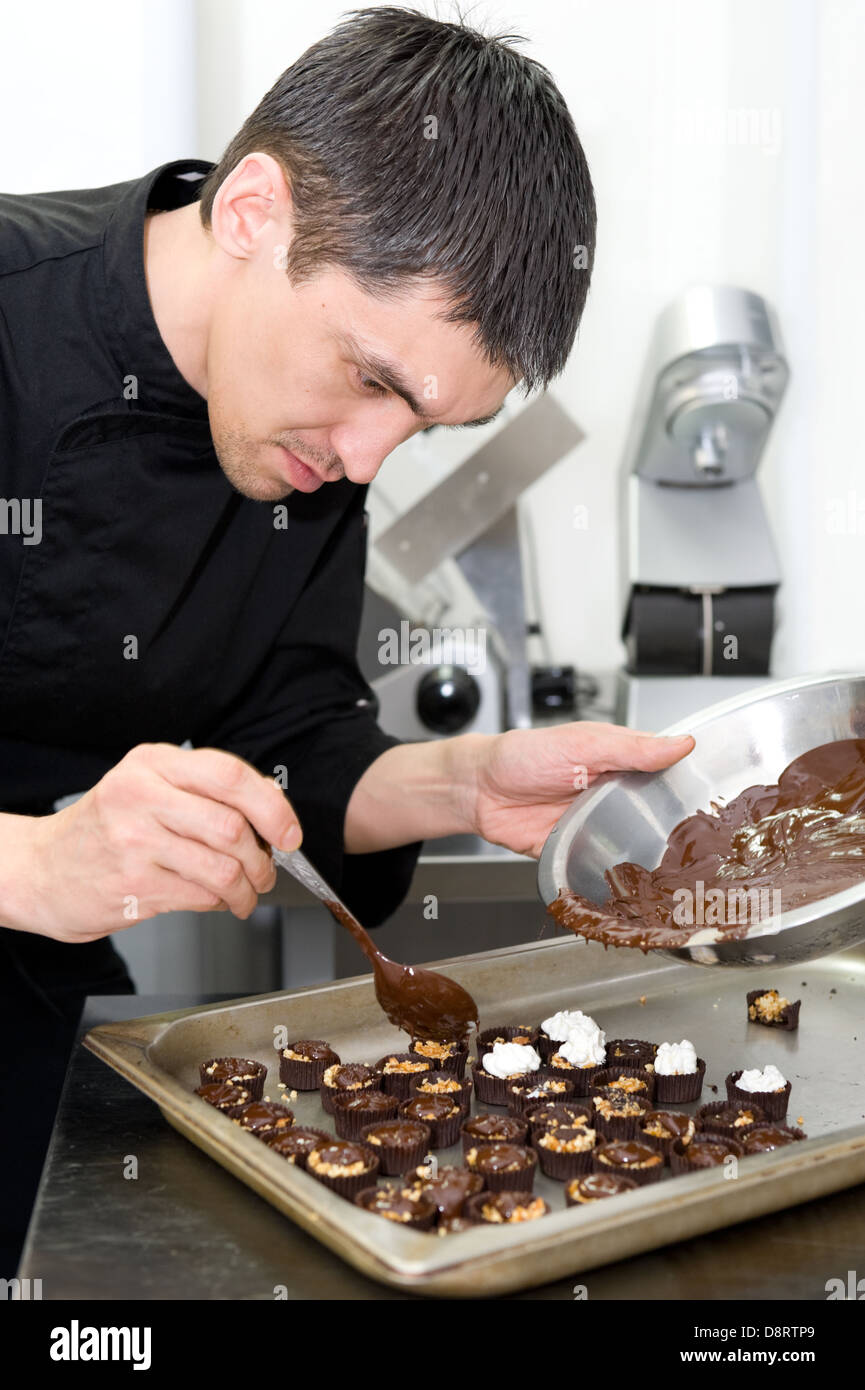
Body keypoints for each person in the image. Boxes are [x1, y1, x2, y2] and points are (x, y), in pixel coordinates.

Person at [0, 6, 694, 1271]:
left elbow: (287, 736)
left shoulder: (304, 440)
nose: (367, 461)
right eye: (376, 382)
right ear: (253, 213)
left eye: (423, 428)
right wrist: (33, 864)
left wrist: (462, 780)